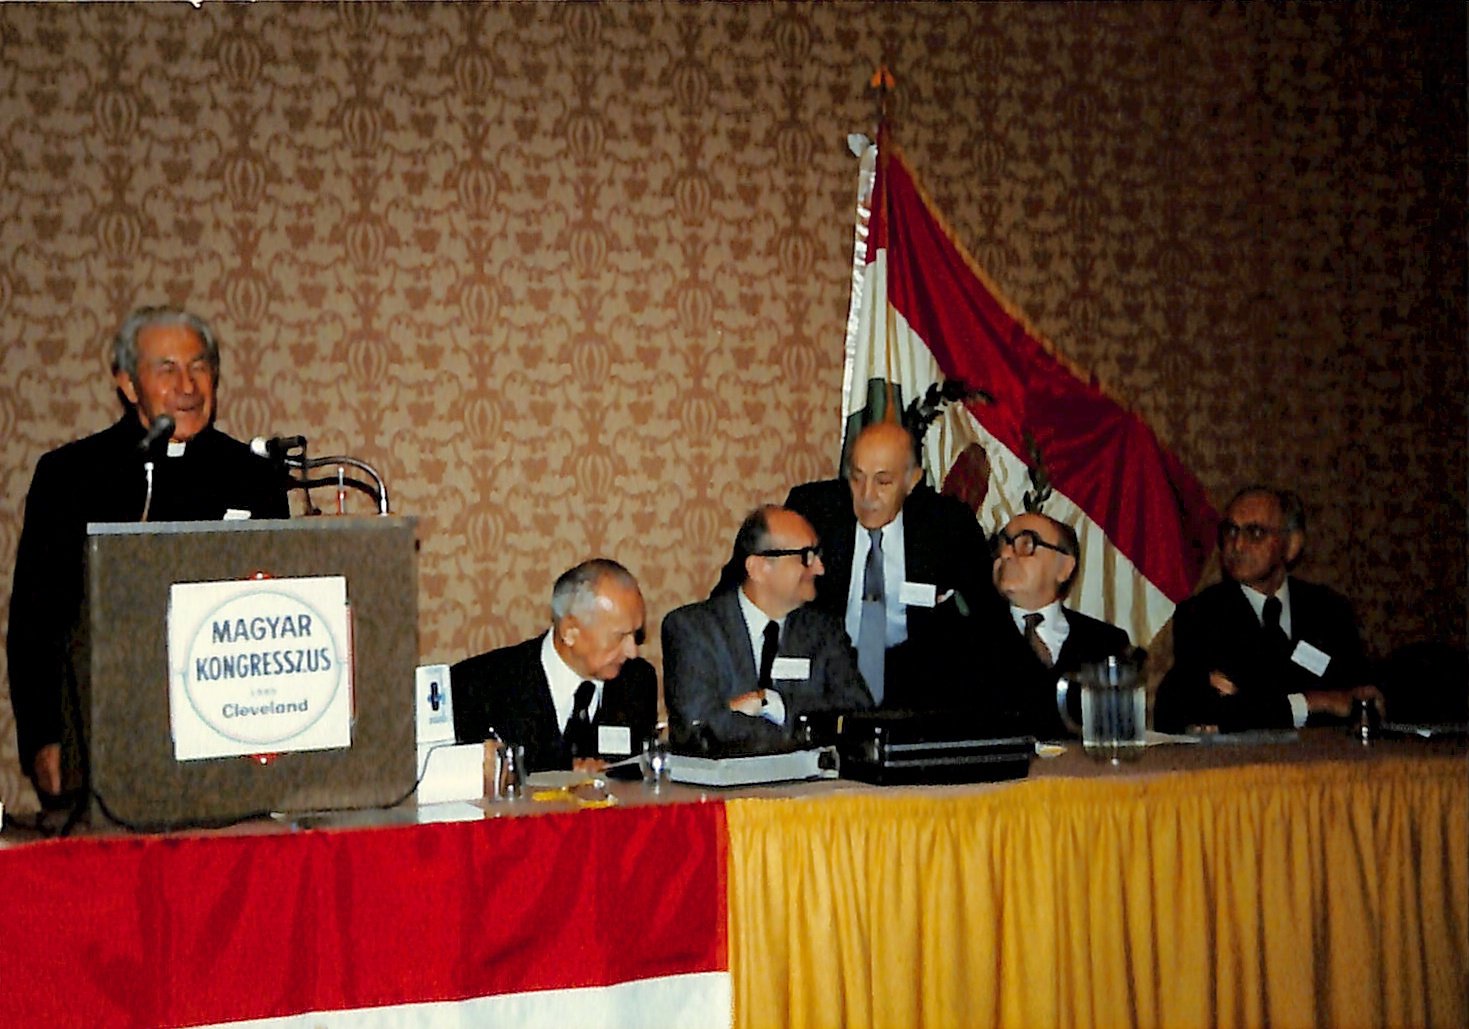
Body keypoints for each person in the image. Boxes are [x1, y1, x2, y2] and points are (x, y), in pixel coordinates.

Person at [8, 306, 291, 804]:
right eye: (167, 369)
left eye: (199, 367)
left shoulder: (254, 476)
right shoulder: (70, 477)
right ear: (127, 383)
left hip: (230, 741)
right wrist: (43, 739)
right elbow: (36, 622)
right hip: (104, 739)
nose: (188, 386)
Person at [782, 420, 990, 711]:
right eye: (857, 478)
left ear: (912, 480)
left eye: (883, 482)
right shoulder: (812, 511)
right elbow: (742, 589)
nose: (866, 496)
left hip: (919, 685)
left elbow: (988, 617)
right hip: (825, 679)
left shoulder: (948, 526)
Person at [1153, 486, 1382, 734]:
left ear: (1291, 545)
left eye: (1255, 533)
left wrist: (1256, 703)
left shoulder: (1328, 610)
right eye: (1231, 531)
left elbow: (1360, 699)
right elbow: (1207, 711)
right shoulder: (1202, 614)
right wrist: (1317, 702)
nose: (1237, 545)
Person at [663, 506, 873, 753]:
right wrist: (799, 733)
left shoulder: (824, 631)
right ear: (758, 567)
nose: (819, 568)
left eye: (817, 554)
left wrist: (774, 705)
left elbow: (858, 713)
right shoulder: (694, 630)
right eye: (806, 556)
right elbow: (697, 728)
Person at [450, 559, 657, 774]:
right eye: (620, 636)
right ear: (570, 631)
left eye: (635, 634)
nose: (632, 651)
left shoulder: (637, 682)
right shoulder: (479, 687)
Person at [982, 512, 1132, 738]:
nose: (1005, 554)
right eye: (1001, 544)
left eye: (1026, 544)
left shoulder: (1105, 643)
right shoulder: (962, 638)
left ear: (1064, 567)